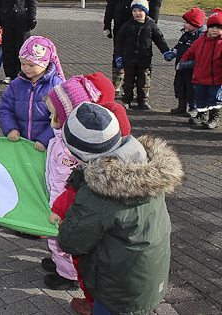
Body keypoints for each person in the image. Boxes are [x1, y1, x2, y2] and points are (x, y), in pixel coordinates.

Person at [58, 102, 184, 315]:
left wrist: (70, 216)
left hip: (116, 287)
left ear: (79, 153)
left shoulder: (98, 194)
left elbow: (71, 241)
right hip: (148, 273)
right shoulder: (143, 163)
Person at [41, 76, 101, 291]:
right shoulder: (62, 137)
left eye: (52, 113)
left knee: (63, 241)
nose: (49, 116)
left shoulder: (71, 149)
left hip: (65, 206)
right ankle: (60, 264)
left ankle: (69, 275)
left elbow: (72, 185)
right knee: (55, 238)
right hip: (57, 199)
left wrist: (61, 206)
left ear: (65, 116)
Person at [103, 0, 163, 95]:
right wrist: (107, 23)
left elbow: (156, 1)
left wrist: (152, 23)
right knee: (119, 52)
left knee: (143, 54)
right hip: (122, 21)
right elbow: (111, 1)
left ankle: (143, 89)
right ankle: (117, 84)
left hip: (142, 23)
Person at [0, 36, 65, 152]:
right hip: (20, 144)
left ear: (44, 63)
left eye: (31, 65)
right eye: (23, 64)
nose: (26, 68)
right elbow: (5, 108)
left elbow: (61, 118)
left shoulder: (56, 86)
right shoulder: (16, 84)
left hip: (47, 147)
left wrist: (45, 138)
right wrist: (10, 128)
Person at [113, 0, 171, 110]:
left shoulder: (151, 25)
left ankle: (143, 100)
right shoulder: (127, 25)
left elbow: (159, 39)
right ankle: (127, 100)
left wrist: (166, 51)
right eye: (134, 11)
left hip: (144, 59)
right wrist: (118, 56)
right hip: (128, 59)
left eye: (140, 10)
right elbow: (119, 41)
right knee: (128, 81)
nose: (137, 13)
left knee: (144, 81)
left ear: (146, 11)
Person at [178, 8, 222, 129]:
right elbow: (190, 52)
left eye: (218, 28)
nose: (214, 30)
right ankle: (201, 114)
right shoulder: (200, 40)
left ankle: (214, 118)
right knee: (200, 98)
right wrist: (183, 62)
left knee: (214, 100)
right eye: (212, 27)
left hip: (216, 79)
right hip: (200, 77)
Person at [169, 8, 206, 116]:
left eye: (186, 23)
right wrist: (173, 52)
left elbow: (200, 56)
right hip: (180, 67)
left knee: (191, 89)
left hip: (192, 70)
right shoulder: (185, 34)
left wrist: (187, 64)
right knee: (180, 86)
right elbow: (179, 45)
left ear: (195, 24)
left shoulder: (200, 37)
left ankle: (193, 108)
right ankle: (181, 106)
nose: (184, 25)